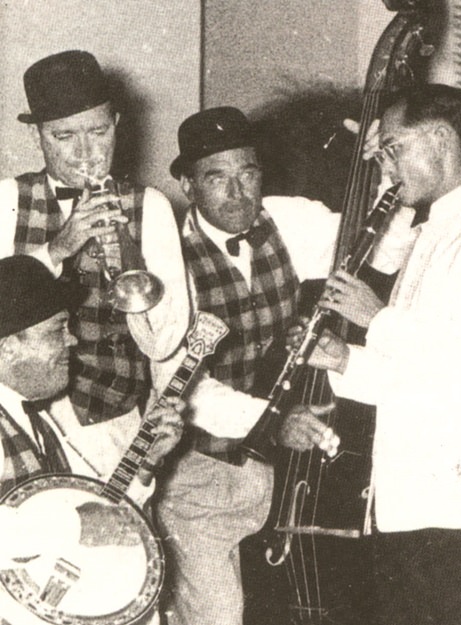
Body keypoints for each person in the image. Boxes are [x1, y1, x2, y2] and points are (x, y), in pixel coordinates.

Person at [283, 83, 461, 625]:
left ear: (440, 139)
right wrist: (340, 358)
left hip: (458, 511)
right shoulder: (435, 233)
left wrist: (376, 316)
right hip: (410, 507)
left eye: (394, 148)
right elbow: (417, 380)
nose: (387, 167)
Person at [153, 106, 341, 625]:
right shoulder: (167, 254)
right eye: (217, 177)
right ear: (189, 185)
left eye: (248, 173)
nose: (238, 194)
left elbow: (382, 248)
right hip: (195, 481)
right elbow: (183, 382)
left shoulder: (290, 219)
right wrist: (275, 422)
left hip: (271, 477)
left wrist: (384, 169)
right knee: (218, 615)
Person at [0, 50, 189, 482]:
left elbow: (164, 345)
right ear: (39, 137)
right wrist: (57, 250)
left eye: (98, 132)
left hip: (113, 424)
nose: (85, 152)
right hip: (16, 423)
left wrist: (128, 256)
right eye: (64, 137)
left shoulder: (151, 206)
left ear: (117, 125)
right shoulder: (6, 199)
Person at [0, 255, 184, 624]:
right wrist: (76, 526)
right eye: (56, 330)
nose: (72, 339)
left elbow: (98, 508)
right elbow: (82, 521)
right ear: (7, 348)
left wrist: (147, 464)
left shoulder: (34, 418)